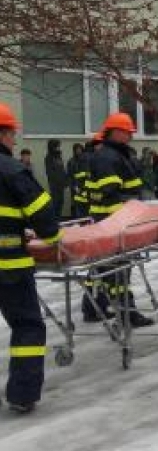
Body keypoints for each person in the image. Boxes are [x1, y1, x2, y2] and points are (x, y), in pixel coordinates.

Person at [0, 103, 63, 414]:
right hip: (8, 266)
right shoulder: (12, 170)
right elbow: (41, 211)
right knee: (27, 326)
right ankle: (22, 394)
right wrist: (54, 240)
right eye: (11, 133)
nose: (14, 139)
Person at [85, 112, 153, 327]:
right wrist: (135, 208)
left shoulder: (115, 154)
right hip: (114, 222)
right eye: (127, 132)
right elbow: (111, 194)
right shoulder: (108, 157)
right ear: (115, 132)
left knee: (108, 270)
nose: (131, 136)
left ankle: (98, 308)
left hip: (115, 221)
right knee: (117, 272)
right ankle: (126, 314)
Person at [44, 139, 68, 220]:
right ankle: (54, 220)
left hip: (61, 185)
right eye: (57, 146)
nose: (58, 147)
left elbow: (62, 170)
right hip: (54, 186)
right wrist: (57, 182)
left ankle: (59, 219)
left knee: (61, 202)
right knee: (55, 203)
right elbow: (50, 173)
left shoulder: (59, 157)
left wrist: (65, 181)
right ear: (52, 147)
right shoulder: (49, 158)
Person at [66, 143, 85, 217]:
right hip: (75, 185)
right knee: (75, 203)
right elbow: (69, 175)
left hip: (85, 185)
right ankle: (75, 219)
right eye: (77, 149)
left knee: (84, 204)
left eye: (80, 149)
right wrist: (73, 186)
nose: (78, 151)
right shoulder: (71, 161)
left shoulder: (86, 160)